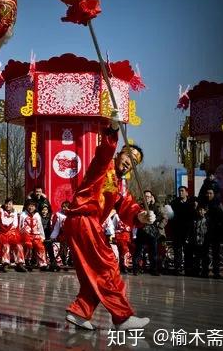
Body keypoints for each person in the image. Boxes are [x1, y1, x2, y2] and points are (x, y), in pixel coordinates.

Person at [63, 112, 155, 331]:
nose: (130, 163)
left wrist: (141, 216)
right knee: (108, 266)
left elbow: (128, 208)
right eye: (129, 157)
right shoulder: (104, 166)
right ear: (121, 152)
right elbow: (104, 151)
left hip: (87, 224)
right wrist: (113, 130)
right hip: (84, 219)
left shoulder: (120, 186)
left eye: (135, 163)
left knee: (92, 272)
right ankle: (122, 317)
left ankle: (80, 311)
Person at [132, 190, 163, 276]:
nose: (147, 198)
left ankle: (154, 269)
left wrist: (154, 204)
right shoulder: (138, 206)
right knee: (138, 251)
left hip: (152, 232)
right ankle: (136, 269)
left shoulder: (154, 206)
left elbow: (161, 216)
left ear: (151, 197)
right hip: (141, 231)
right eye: (145, 196)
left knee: (153, 252)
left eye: (148, 196)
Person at [169, 186, 195, 275]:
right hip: (177, 231)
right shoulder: (174, 203)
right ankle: (178, 268)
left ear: (187, 193)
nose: (180, 193)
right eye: (179, 191)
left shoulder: (191, 203)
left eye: (182, 191)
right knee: (177, 251)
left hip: (188, 231)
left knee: (188, 251)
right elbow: (171, 217)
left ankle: (189, 269)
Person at [0, 198, 24, 272]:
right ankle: (5, 263)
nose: (8, 206)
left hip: (12, 232)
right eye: (7, 204)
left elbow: (15, 224)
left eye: (10, 204)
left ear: (12, 205)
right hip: (2, 232)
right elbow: (0, 223)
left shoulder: (14, 212)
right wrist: (6, 230)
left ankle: (20, 263)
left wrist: (11, 230)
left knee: (19, 245)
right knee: (6, 245)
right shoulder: (0, 211)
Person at [20, 200, 47, 271]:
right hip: (26, 234)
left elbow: (40, 226)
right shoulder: (23, 214)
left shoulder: (37, 215)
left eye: (32, 206)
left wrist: (42, 236)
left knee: (40, 246)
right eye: (29, 206)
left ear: (35, 207)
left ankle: (42, 263)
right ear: (26, 206)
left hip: (36, 234)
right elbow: (19, 226)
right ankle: (27, 260)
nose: (30, 208)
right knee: (28, 244)